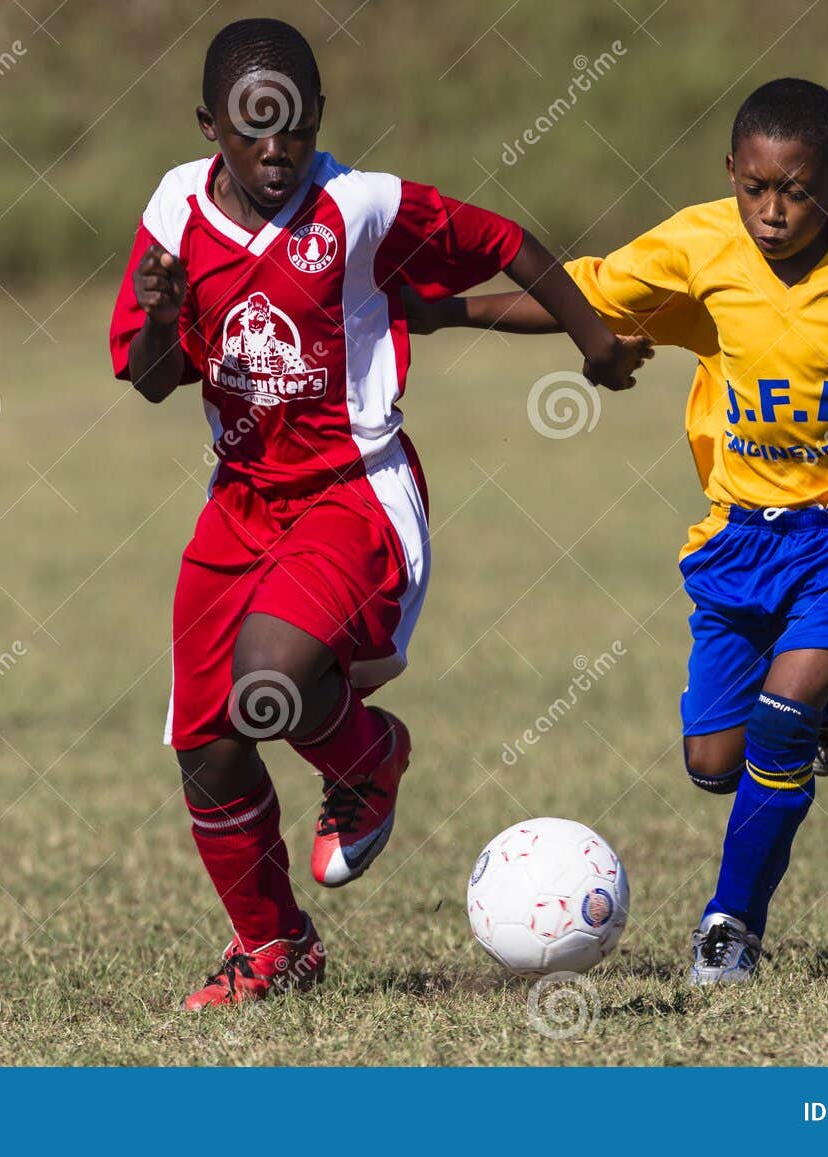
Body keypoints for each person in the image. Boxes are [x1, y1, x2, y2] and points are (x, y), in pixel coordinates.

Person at [407, 77, 828, 984]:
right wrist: (445, 310)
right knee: (712, 761)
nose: (774, 212)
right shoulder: (697, 248)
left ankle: (730, 927)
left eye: (799, 191)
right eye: (756, 188)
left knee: (783, 716)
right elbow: (582, 298)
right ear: (731, 171)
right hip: (742, 538)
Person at [107, 18, 650, 1009]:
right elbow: (148, 380)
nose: (275, 148)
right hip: (238, 503)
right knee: (206, 746)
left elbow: (505, 241)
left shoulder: (359, 206)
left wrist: (595, 343)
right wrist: (155, 309)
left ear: (319, 117)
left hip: (352, 489)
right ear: (207, 127)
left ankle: (369, 758)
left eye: (295, 125)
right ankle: (273, 945)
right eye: (250, 126)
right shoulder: (175, 208)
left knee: (266, 682)